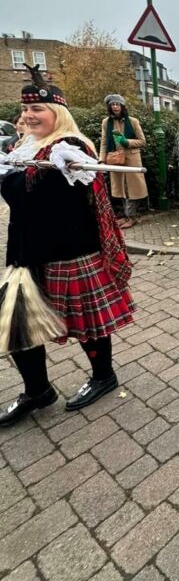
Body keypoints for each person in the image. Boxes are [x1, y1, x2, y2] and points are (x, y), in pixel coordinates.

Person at [0, 65, 135, 426]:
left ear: (56, 113)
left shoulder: (72, 148)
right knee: (17, 323)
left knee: (85, 323)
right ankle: (37, 390)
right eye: (26, 109)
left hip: (68, 252)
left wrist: (13, 178)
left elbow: (34, 201)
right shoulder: (26, 148)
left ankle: (104, 376)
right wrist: (17, 166)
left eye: (38, 110)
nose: (29, 116)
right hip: (25, 252)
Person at [99, 95, 148, 230]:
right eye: (112, 104)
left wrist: (127, 142)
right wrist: (102, 160)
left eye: (117, 104)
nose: (115, 107)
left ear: (122, 106)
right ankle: (127, 216)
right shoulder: (106, 122)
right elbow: (104, 142)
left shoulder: (133, 121)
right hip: (115, 159)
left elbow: (142, 141)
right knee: (121, 188)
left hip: (131, 159)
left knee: (132, 189)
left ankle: (131, 217)